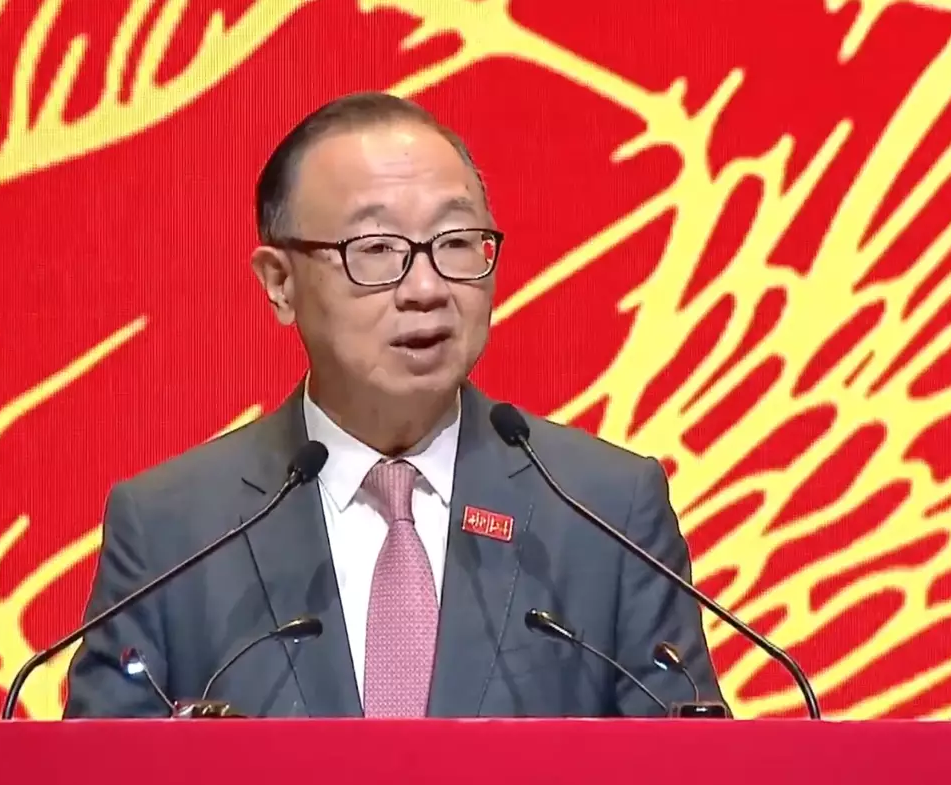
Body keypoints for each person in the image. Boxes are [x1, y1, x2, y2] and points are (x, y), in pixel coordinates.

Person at [63, 91, 725, 719]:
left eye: (456, 241)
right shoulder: (173, 532)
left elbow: (690, 766)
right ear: (281, 282)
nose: (427, 288)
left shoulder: (606, 513)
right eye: (376, 250)